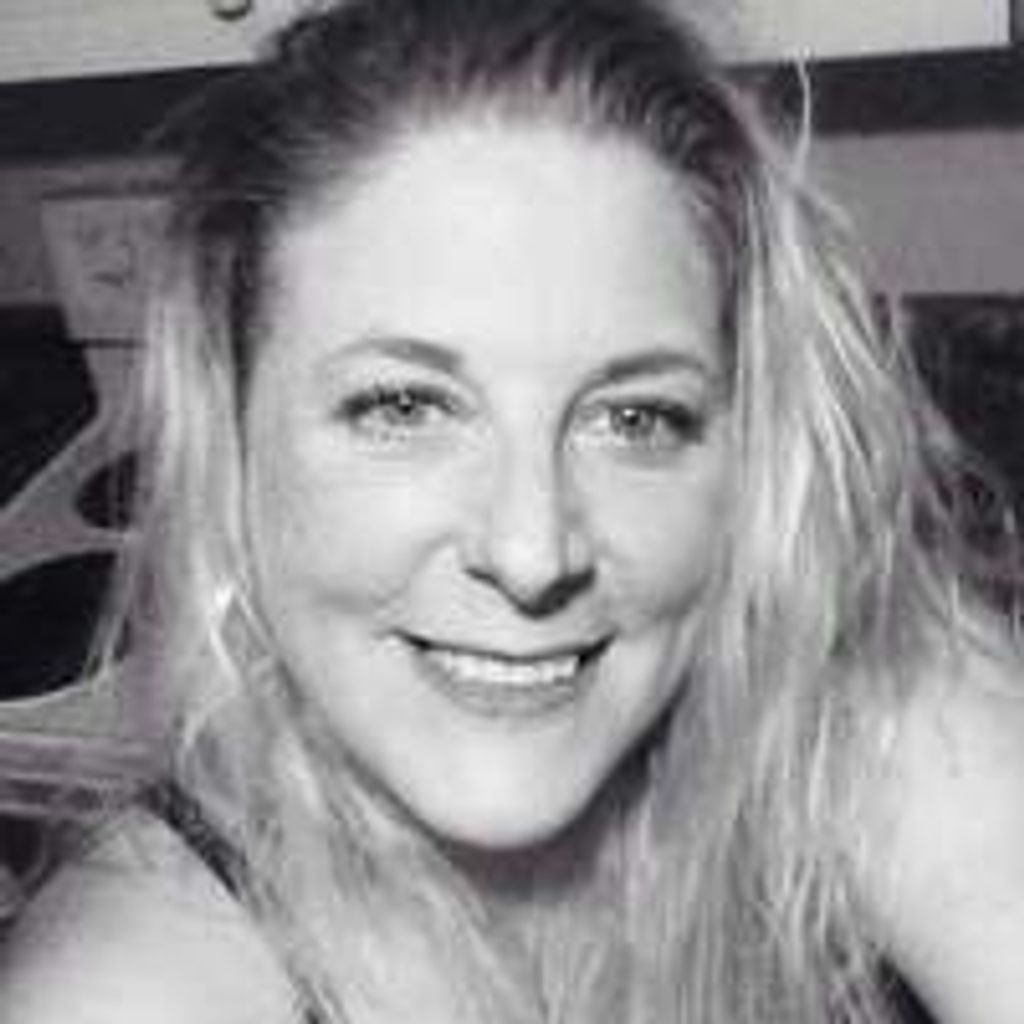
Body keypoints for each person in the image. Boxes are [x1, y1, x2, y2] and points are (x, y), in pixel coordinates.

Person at [2, 1, 1023, 1021]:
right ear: (232, 441)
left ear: (749, 461)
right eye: (404, 406)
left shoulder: (861, 708)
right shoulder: (126, 990)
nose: (533, 552)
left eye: (634, 417)